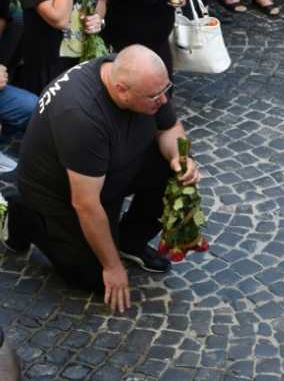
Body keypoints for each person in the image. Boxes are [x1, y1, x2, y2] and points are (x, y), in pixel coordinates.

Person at [4, 46, 199, 303]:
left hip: (112, 166)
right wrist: (112, 266)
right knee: (93, 279)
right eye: (155, 97)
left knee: (170, 168)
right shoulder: (81, 116)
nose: (163, 100)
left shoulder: (148, 82)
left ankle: (130, 241)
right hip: (63, 195)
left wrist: (179, 158)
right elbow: (85, 203)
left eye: (165, 90)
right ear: (121, 90)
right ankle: (22, 216)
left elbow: (169, 128)